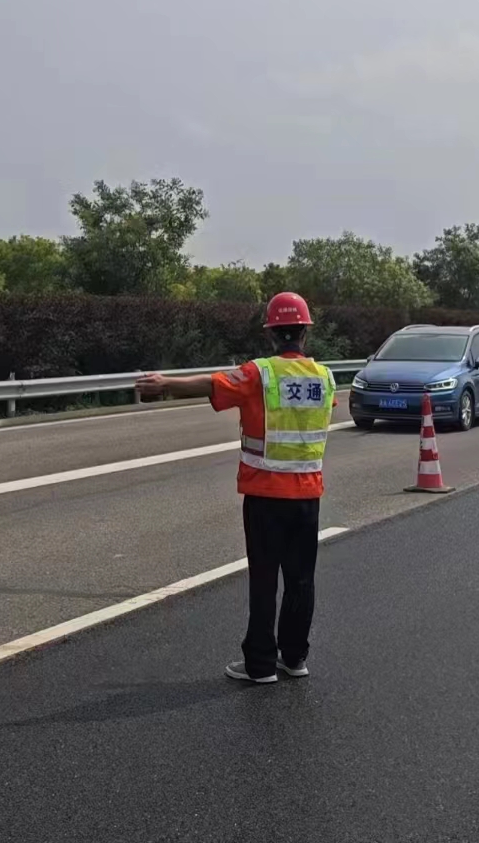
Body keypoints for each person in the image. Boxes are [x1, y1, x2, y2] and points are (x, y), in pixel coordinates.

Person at [135, 291, 332, 685]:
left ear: (271, 334)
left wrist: (165, 383)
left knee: (264, 580)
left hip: (265, 496)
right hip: (308, 497)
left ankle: (260, 665)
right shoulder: (324, 377)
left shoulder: (260, 374)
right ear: (305, 333)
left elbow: (212, 384)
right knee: (301, 581)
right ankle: (295, 658)